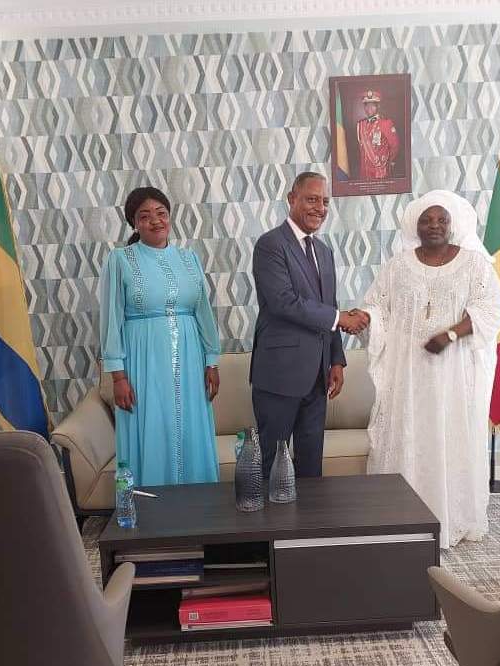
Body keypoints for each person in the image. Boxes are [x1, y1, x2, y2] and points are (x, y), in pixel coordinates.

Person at [359, 190, 500, 549]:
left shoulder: (473, 264)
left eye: (441, 219)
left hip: (454, 375)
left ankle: (451, 518)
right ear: (416, 226)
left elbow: (491, 309)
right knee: (410, 437)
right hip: (408, 376)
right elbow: (377, 307)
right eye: (426, 219)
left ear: (453, 224)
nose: (434, 225)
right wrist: (361, 317)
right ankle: (404, 518)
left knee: (451, 437)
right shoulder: (398, 266)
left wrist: (451, 334)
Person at [99, 186, 221, 487]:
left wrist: (212, 360)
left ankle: (199, 506)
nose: (155, 221)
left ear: (170, 217)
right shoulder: (120, 260)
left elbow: (203, 312)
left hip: (190, 362)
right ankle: (152, 509)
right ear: (134, 223)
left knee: (190, 427)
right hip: (143, 361)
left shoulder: (189, 258)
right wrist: (118, 377)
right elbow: (111, 319)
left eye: (161, 213)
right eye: (145, 216)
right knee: (151, 427)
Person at [250, 171, 367, 478]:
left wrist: (337, 360)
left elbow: (330, 305)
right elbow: (283, 301)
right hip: (279, 374)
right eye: (312, 199)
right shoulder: (270, 245)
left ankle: (309, 514)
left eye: (325, 201)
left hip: (317, 376)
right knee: (271, 463)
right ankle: (267, 513)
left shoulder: (324, 252)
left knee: (311, 465)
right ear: (292, 199)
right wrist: (340, 318)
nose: (320, 208)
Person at [356, 90, 400, 181]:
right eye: (367, 105)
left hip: (379, 172)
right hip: (364, 173)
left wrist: (385, 163)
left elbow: (395, 147)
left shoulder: (386, 123)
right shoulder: (360, 125)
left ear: (378, 106)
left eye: (372, 105)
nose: (369, 108)